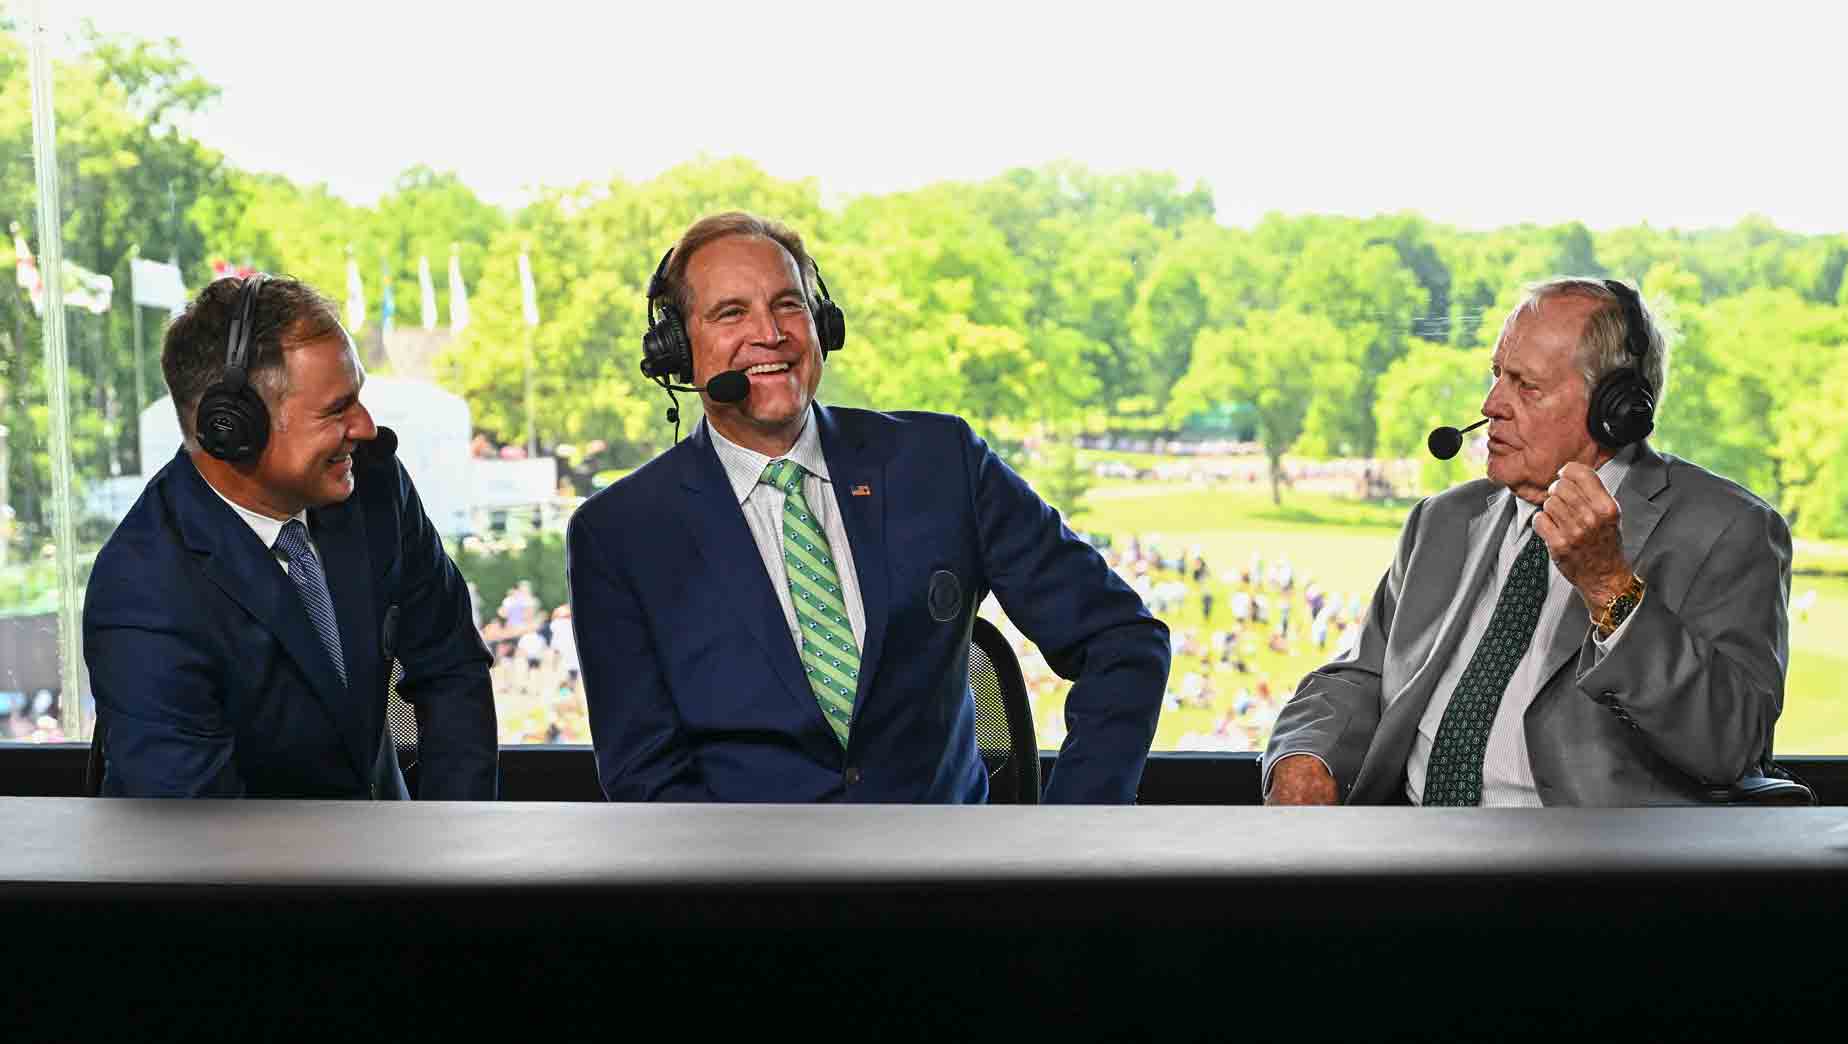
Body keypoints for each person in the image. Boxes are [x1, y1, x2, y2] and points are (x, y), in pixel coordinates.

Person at [567, 212, 1168, 803]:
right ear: (677, 349)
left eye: (788, 305)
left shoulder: (941, 462)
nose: (770, 334)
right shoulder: (619, 533)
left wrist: (1073, 834)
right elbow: (646, 776)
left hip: (950, 882)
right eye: (731, 313)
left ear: (822, 323)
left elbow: (1122, 639)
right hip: (747, 885)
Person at [1264, 278, 1790, 806]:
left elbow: (1732, 743)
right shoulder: (1441, 521)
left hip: (1589, 871)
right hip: (1411, 852)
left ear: (1615, 406)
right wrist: (1305, 757)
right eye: (1497, 375)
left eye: (1525, 386)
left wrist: (1610, 587)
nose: (1492, 404)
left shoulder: (1729, 529)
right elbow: (1362, 675)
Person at [83, 274, 497, 799]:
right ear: (233, 428)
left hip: (398, 858)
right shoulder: (143, 590)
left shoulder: (374, 485)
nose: (366, 426)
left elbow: (450, 666)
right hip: (250, 872)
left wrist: (452, 847)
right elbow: (198, 837)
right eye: (336, 409)